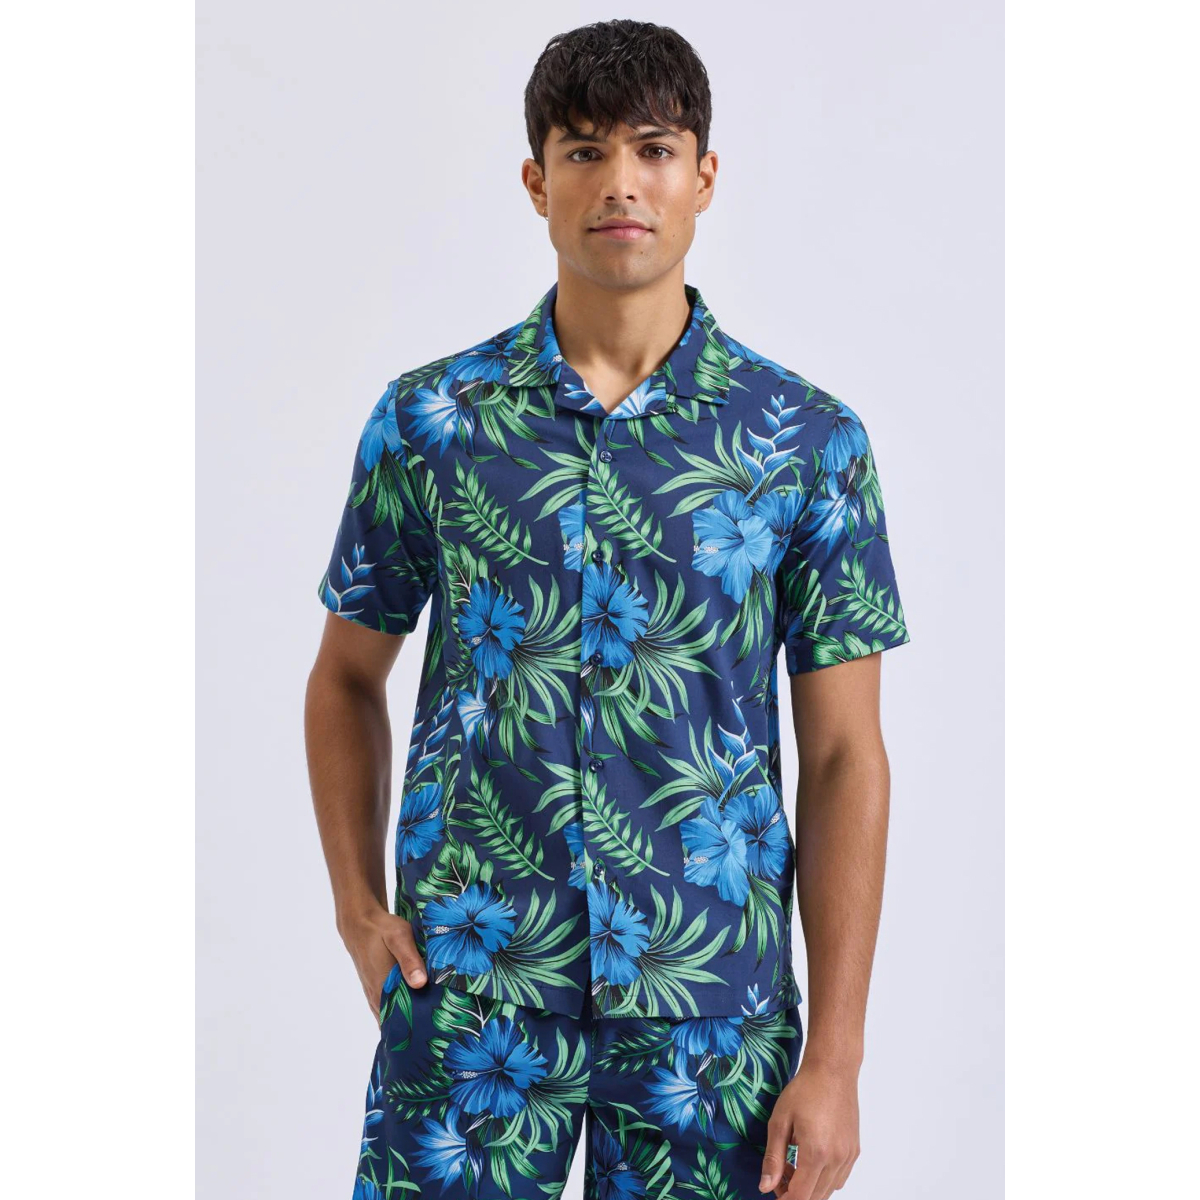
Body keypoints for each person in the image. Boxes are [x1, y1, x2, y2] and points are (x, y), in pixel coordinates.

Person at [305, 18, 911, 1200]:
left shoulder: (805, 443)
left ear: (704, 177)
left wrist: (836, 1058)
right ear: (537, 183)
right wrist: (355, 907)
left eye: (654, 149)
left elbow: (846, 753)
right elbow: (344, 677)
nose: (620, 183)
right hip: (472, 995)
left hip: (712, 1020)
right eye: (584, 151)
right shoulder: (432, 423)